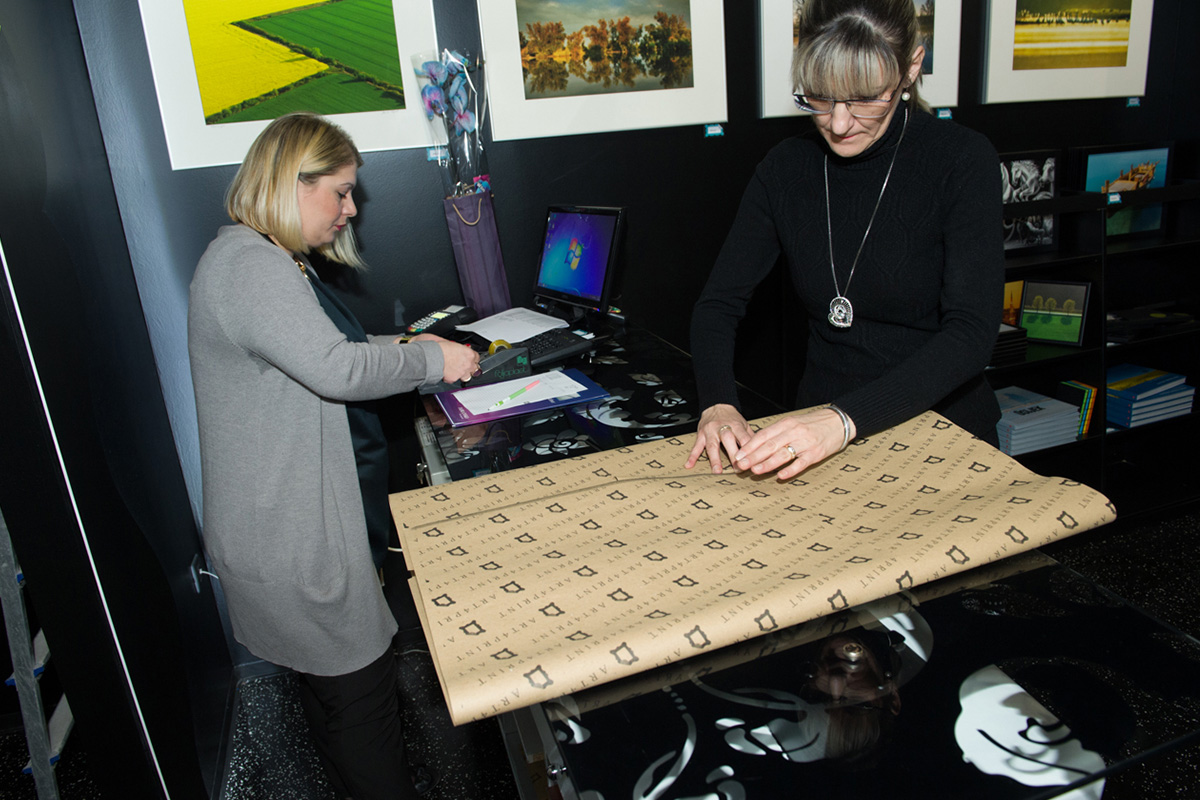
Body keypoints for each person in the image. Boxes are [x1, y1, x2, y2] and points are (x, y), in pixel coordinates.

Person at [188, 111, 478, 799]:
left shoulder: (253, 258)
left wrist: (408, 349)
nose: (350, 211)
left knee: (333, 698)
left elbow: (327, 352)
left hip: (280, 535)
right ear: (292, 181)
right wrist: (432, 360)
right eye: (341, 192)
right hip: (295, 544)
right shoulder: (251, 268)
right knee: (361, 703)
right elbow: (337, 370)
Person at [687, 0, 1002, 481]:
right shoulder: (785, 169)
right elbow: (718, 306)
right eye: (820, 97)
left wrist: (843, 420)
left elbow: (971, 335)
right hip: (819, 440)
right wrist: (717, 403)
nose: (838, 123)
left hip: (943, 434)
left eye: (865, 99)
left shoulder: (961, 160)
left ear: (911, 67)